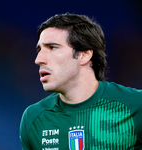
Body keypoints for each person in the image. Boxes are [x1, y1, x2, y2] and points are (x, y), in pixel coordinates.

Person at [20, 13, 142, 150]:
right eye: (39, 49)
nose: (38, 59)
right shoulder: (34, 118)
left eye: (52, 47)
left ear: (84, 55)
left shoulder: (137, 105)